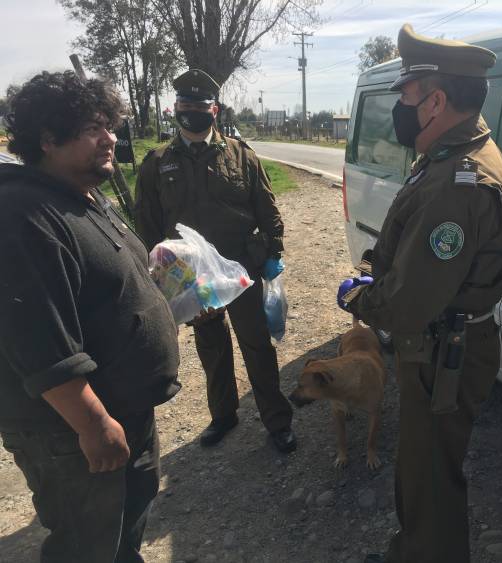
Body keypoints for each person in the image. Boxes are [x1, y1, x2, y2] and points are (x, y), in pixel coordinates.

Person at [337, 25, 502, 563]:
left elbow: (406, 307)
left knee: (430, 476)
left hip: (443, 352)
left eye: (407, 95)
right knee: (424, 466)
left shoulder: (455, 182)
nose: (401, 107)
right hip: (449, 342)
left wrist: (358, 297)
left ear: (436, 101)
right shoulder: (459, 152)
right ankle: (414, 549)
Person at [0, 71, 181, 563]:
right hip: (71, 430)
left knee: (122, 534)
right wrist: (93, 423)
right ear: (48, 138)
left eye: (110, 125)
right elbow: (36, 337)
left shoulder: (81, 194)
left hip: (124, 409)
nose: (111, 139)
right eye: (93, 128)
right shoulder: (22, 213)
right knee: (85, 547)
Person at [134, 69, 296, 453]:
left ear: (215, 110)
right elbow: (148, 223)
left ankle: (277, 421)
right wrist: (162, 277)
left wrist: (273, 253)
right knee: (212, 346)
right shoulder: (157, 163)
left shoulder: (242, 156)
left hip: (240, 271)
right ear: (175, 109)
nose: (192, 112)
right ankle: (223, 415)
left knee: (257, 346)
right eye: (185, 105)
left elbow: (267, 210)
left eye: (200, 106)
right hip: (192, 278)